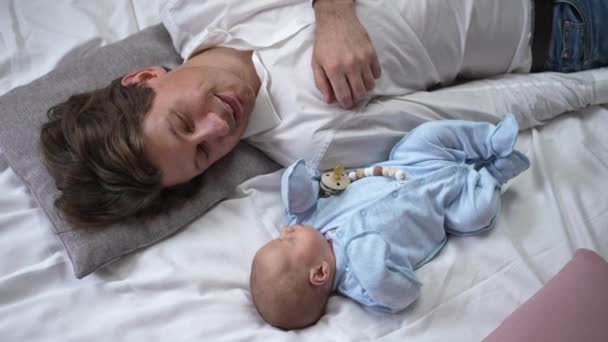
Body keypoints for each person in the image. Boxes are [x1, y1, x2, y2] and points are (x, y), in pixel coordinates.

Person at [40, 0, 608, 226]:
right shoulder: (316, 143)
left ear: (143, 78)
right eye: (205, 153)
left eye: (184, 123)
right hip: (564, 22)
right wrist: (593, 87)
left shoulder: (196, 6)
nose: (220, 128)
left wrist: (334, 13)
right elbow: (479, 110)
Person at [249, 114, 530, 329]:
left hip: (408, 165)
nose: (286, 230)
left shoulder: (312, 220)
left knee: (427, 135)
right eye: (288, 241)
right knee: (476, 215)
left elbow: (300, 195)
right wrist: (369, 264)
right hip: (443, 205)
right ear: (320, 273)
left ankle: (488, 139)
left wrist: (299, 187)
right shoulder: (360, 282)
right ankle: (495, 173)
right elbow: (404, 294)